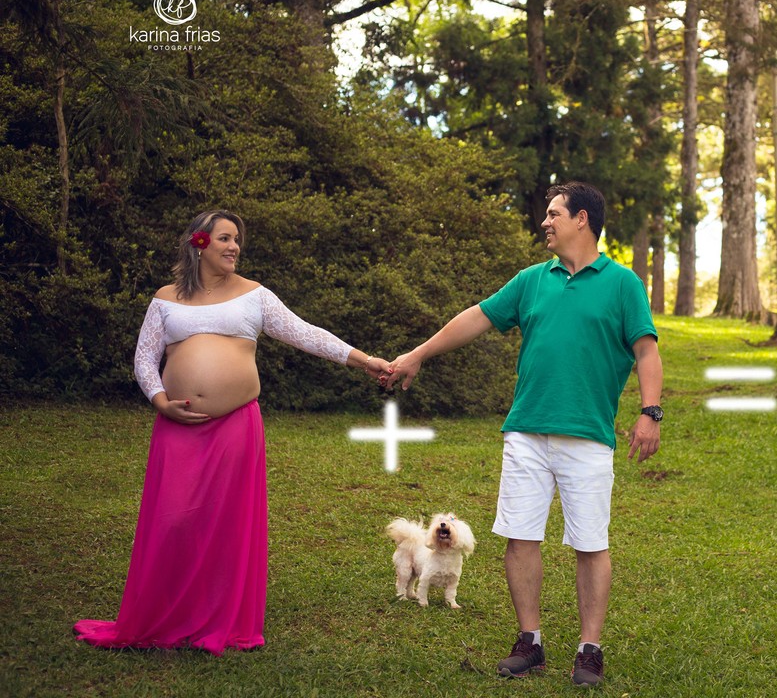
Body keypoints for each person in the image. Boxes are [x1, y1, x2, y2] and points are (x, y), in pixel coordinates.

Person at [383, 182, 663, 687]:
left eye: (554, 214)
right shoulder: (533, 279)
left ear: (582, 219)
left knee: (591, 543)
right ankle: (529, 641)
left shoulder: (623, 285)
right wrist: (419, 353)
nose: (545, 222)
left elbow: (646, 351)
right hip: (526, 434)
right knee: (521, 537)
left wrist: (650, 412)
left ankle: (589, 649)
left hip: (588, 435)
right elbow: (477, 317)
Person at [75, 209, 391, 656]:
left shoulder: (254, 296)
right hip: (177, 427)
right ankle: (165, 615)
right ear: (199, 244)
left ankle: (219, 620)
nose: (233, 247)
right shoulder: (166, 299)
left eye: (237, 240)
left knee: (225, 524)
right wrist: (160, 400)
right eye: (224, 238)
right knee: (174, 521)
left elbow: (307, 334)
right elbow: (145, 359)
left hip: (235, 426)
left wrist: (365, 361)